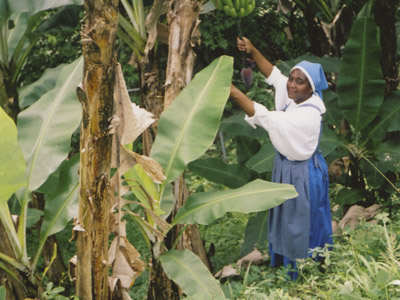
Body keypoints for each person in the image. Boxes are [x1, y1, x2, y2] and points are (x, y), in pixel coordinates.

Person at [230, 37, 333, 280]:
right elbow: (275, 77)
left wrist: (234, 93)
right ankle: (285, 262)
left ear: (312, 88)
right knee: (286, 219)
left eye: (300, 82)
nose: (292, 85)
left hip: (304, 173)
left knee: (303, 222)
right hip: (286, 168)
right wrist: (254, 51)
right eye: (292, 79)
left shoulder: (309, 114)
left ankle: (308, 270)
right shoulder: (297, 97)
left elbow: (267, 117)